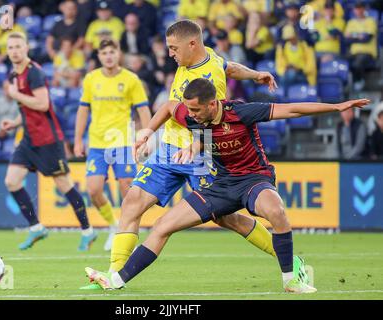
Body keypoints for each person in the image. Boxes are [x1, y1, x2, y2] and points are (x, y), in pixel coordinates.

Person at [85, 78, 370, 293]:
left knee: (276, 210)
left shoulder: (243, 112)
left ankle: (291, 278)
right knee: (161, 226)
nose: (192, 115)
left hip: (253, 180)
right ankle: (115, 281)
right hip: (220, 185)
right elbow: (172, 107)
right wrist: (148, 131)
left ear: (212, 104)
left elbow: (292, 109)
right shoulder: (192, 113)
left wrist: (336, 106)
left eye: (196, 110)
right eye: (191, 110)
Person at [88, 20, 301, 292]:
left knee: (226, 218)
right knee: (133, 201)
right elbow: (230, 66)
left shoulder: (209, 78)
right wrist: (256, 74)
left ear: (192, 44)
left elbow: (214, 122)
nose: (170, 54)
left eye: (174, 48)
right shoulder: (204, 57)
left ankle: (290, 260)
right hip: (169, 147)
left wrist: (195, 147)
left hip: (198, 153)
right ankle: (113, 274)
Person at [2, 32, 96, 251]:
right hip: (28, 138)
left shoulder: (34, 72)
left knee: (64, 185)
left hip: (47, 140)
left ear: (26, 48)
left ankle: (88, 231)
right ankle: (36, 228)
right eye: (10, 47)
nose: (14, 51)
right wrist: (15, 122)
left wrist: (16, 95)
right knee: (11, 181)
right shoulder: (12, 76)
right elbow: (27, 108)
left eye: (18, 46)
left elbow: (43, 104)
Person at [73, 39, 152, 252]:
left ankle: (128, 232)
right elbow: (83, 110)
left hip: (123, 142)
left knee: (128, 188)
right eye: (104, 52)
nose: (108, 56)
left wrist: (146, 137)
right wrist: (78, 139)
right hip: (97, 144)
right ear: (99, 56)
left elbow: (143, 110)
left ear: (119, 54)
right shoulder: (91, 79)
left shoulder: (131, 79)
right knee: (94, 190)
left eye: (112, 52)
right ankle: (113, 225)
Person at [344, 1, 378, 91]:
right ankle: (346, 85)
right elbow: (347, 40)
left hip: (368, 52)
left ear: (364, 9)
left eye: (359, 8)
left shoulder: (370, 21)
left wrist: (353, 35)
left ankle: (359, 81)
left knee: (358, 62)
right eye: (356, 8)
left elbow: (366, 39)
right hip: (354, 52)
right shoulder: (351, 22)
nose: (357, 10)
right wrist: (359, 35)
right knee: (343, 61)